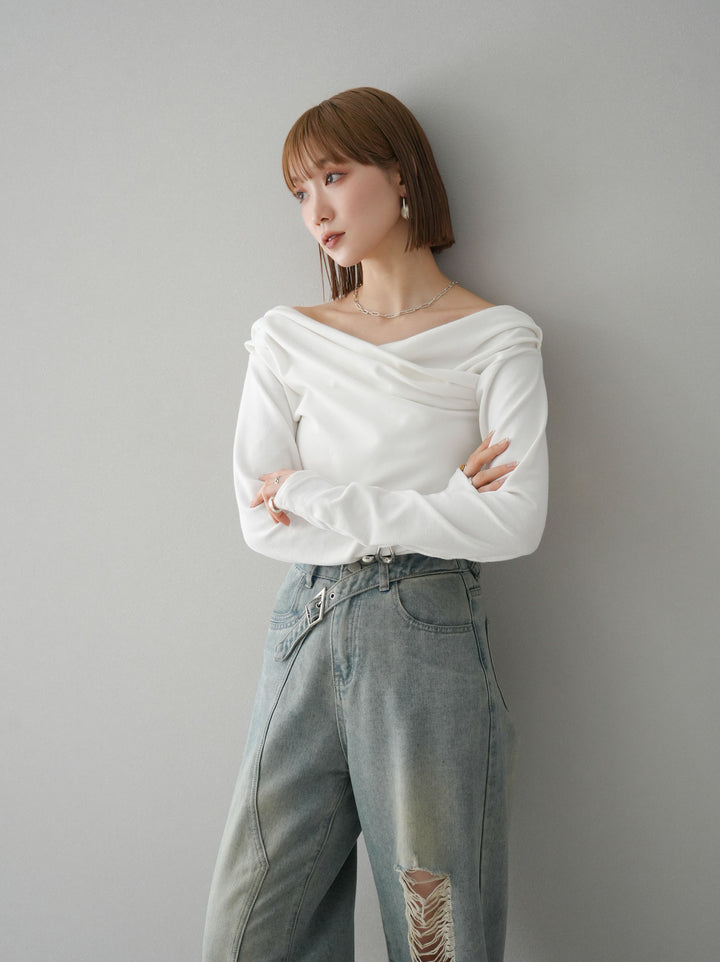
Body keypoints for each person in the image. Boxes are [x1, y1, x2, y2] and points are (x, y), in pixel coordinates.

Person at [203, 87, 548, 962]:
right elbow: (260, 521)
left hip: (428, 635)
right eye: (299, 191)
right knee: (246, 928)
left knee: (437, 929)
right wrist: (441, 506)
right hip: (305, 626)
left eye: (333, 176)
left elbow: (514, 523)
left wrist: (316, 493)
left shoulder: (496, 338)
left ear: (400, 175)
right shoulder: (287, 337)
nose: (315, 210)